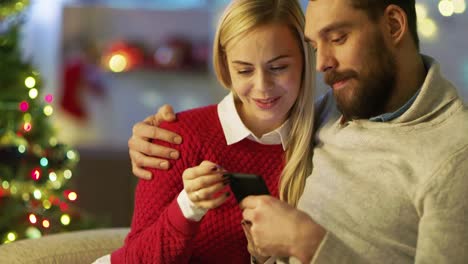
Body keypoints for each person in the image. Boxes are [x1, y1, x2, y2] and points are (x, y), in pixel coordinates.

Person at [128, 0, 468, 263]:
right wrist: (152, 136)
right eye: (317, 47)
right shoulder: (332, 108)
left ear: (393, 25)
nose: (322, 65)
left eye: (338, 38)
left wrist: (307, 242)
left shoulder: (453, 156)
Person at [104, 0, 316, 263]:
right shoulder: (175, 138)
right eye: (244, 70)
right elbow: (133, 259)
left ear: (305, 60)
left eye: (278, 67)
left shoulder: (322, 140)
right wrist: (187, 207)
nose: (262, 86)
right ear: (226, 67)